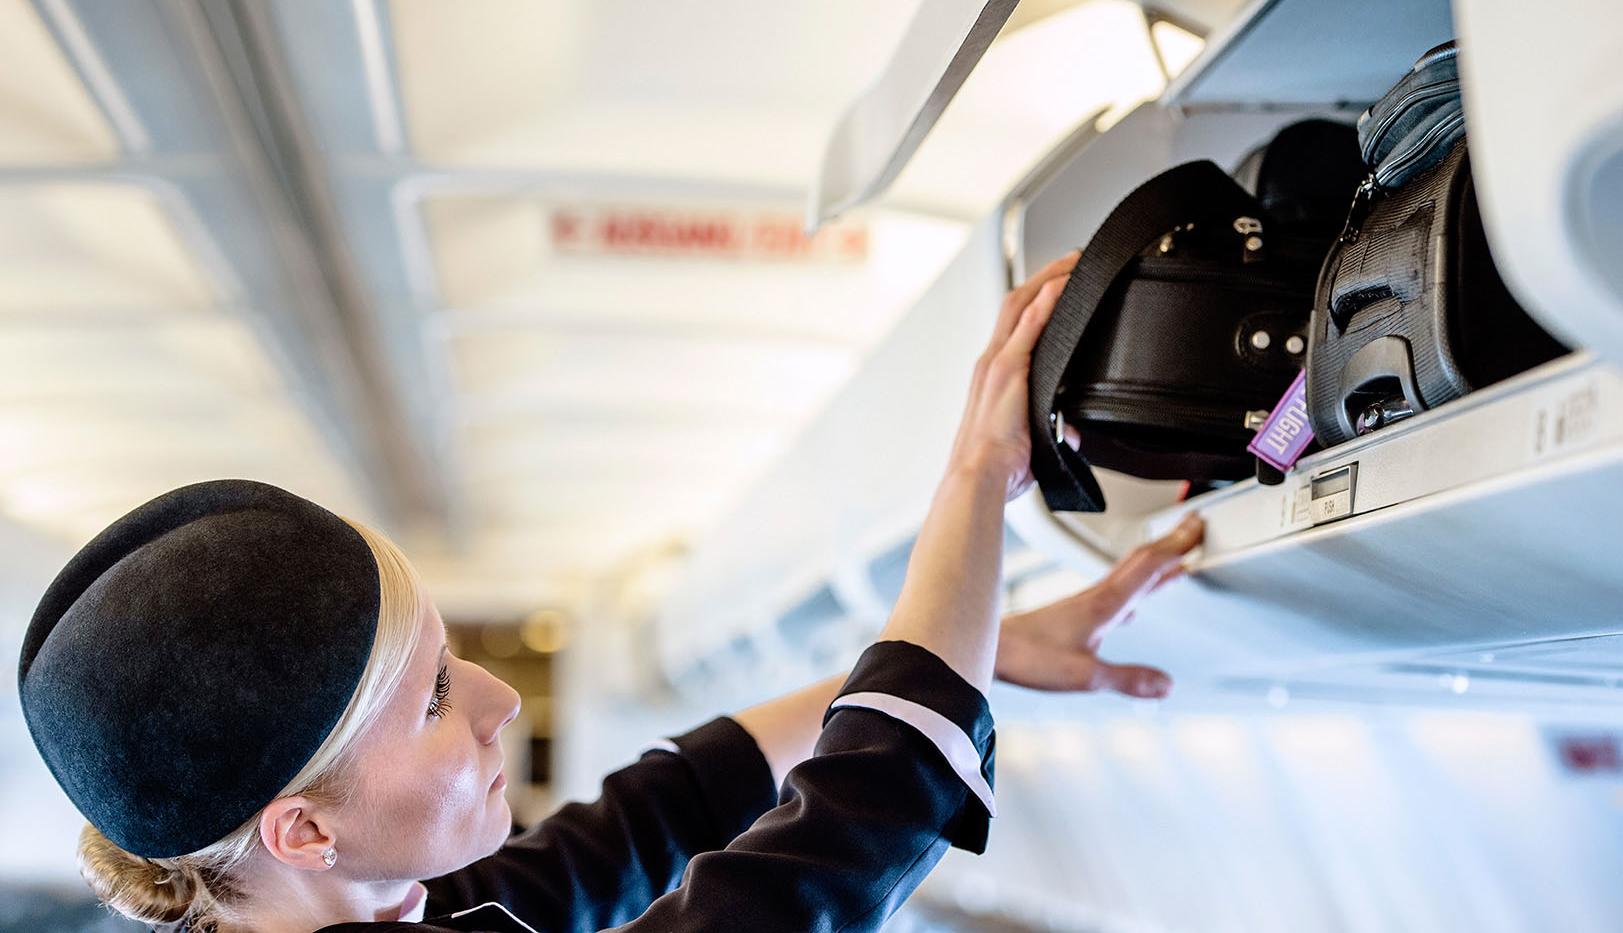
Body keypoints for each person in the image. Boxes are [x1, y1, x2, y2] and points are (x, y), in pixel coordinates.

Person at [18, 252, 1204, 933]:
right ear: (305, 830)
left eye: (453, 656)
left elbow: (659, 812)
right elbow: (833, 854)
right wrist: (976, 477)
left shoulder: (387, 899)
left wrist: (980, 643)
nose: (498, 702)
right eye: (432, 697)